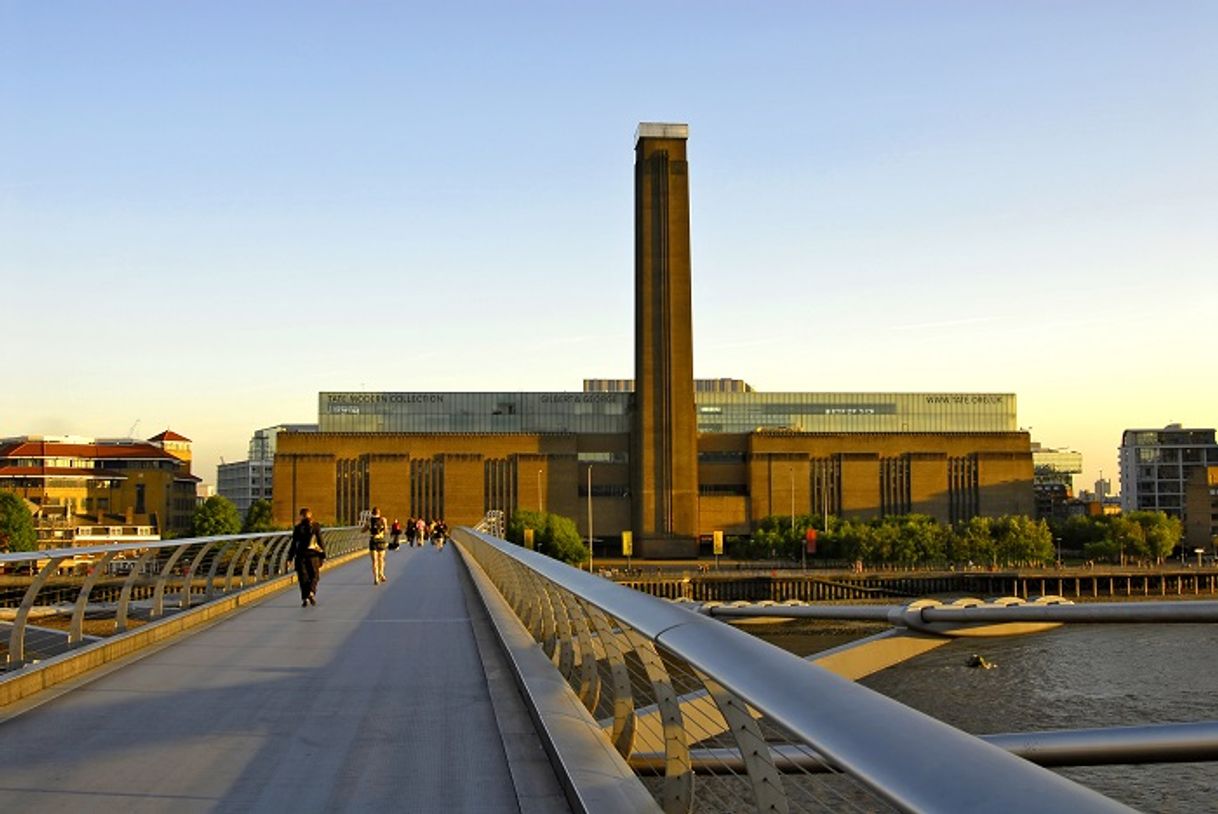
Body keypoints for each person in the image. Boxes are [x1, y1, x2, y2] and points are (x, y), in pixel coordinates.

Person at [286, 507, 325, 607]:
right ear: (310, 515)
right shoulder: (316, 526)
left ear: (301, 516)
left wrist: (289, 558)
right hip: (313, 556)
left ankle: (305, 598)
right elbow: (320, 541)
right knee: (314, 576)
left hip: (300, 556)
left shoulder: (298, 528)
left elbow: (294, 544)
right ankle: (311, 592)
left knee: (303, 577)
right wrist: (323, 556)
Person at [363, 506, 388, 584]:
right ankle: (381, 573)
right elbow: (386, 531)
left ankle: (376, 578)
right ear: (379, 513)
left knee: (374, 561)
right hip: (381, 540)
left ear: (372, 513)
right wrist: (385, 525)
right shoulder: (383, 519)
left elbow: (363, 530)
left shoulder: (369, 521)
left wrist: (367, 527)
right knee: (381, 559)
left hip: (373, 540)